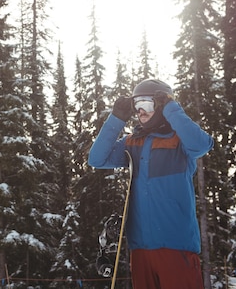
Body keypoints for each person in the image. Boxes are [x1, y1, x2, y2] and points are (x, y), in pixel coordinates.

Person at [88, 79, 213, 288]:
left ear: (163, 106)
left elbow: (202, 145)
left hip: (176, 247)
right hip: (140, 250)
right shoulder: (132, 142)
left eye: (147, 105)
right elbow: (96, 159)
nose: (141, 112)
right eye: (136, 106)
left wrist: (172, 108)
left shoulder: (180, 141)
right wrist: (116, 119)